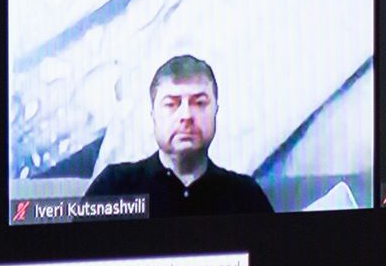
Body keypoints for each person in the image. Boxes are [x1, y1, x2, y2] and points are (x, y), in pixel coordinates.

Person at [82, 55, 273, 217]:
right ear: (153, 115)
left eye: (199, 103)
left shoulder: (246, 196)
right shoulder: (114, 187)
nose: (186, 115)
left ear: (216, 110)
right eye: (171, 104)